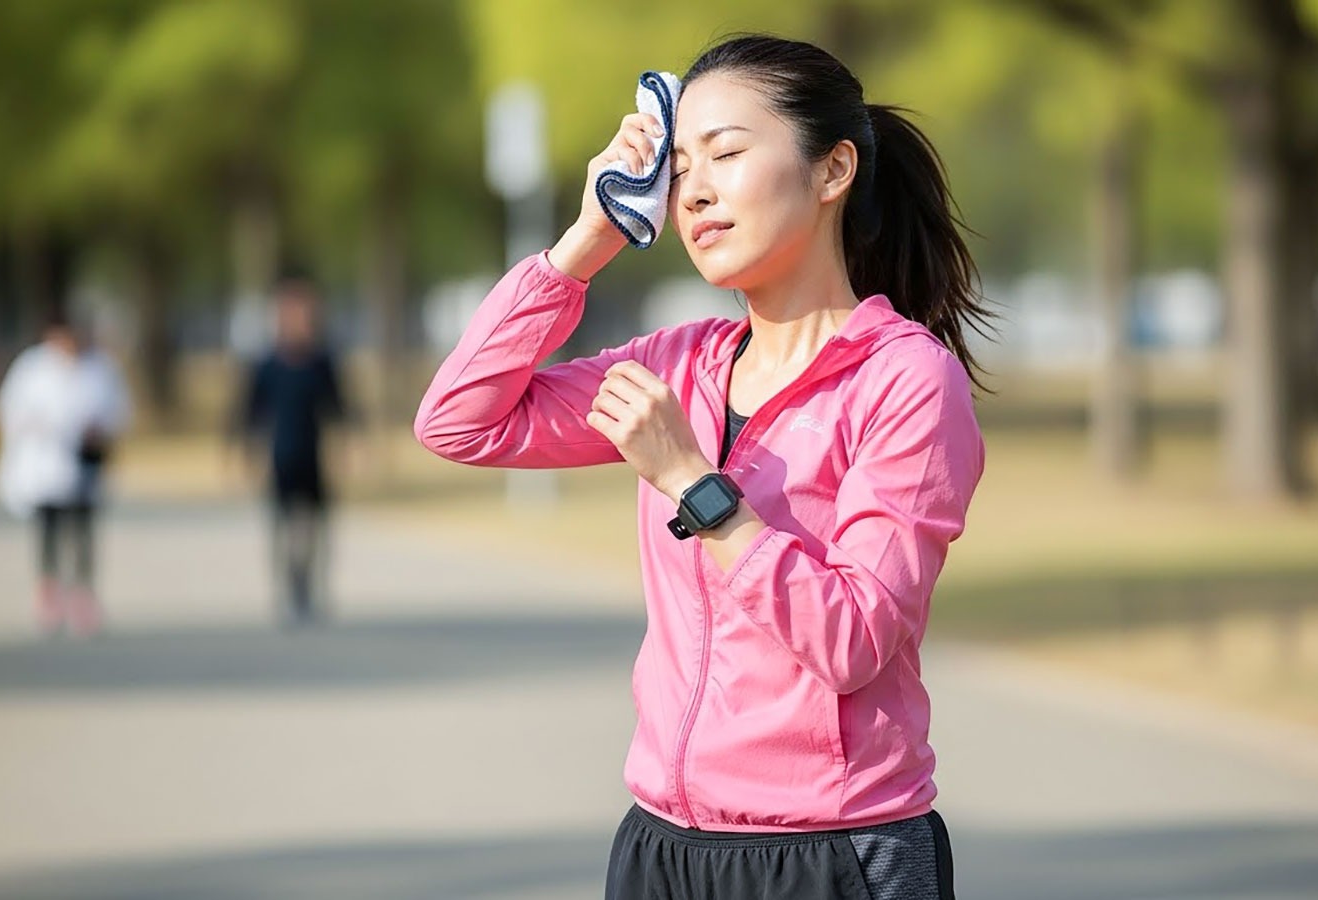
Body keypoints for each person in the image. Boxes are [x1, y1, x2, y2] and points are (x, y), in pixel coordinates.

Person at [416, 34, 989, 900]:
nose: (697, 192)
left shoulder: (906, 379)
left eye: (725, 154)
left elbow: (854, 640)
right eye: (680, 169)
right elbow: (459, 422)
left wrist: (696, 485)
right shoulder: (679, 365)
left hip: (835, 850)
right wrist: (587, 238)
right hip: (662, 847)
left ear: (832, 171)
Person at [0, 310, 132, 637]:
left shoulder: (99, 368)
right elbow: (10, 411)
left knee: (83, 532)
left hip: (85, 464)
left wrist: (100, 429)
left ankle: (83, 595)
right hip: (43, 467)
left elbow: (120, 410)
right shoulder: (32, 368)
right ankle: (49, 592)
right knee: (49, 532)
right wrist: (38, 426)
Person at [232, 273, 354, 626]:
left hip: (313, 459)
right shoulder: (267, 364)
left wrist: (347, 445)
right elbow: (250, 412)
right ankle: (287, 592)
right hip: (281, 459)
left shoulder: (322, 361)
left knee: (316, 530)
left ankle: (311, 590)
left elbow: (338, 407)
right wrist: (245, 454)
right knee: (284, 530)